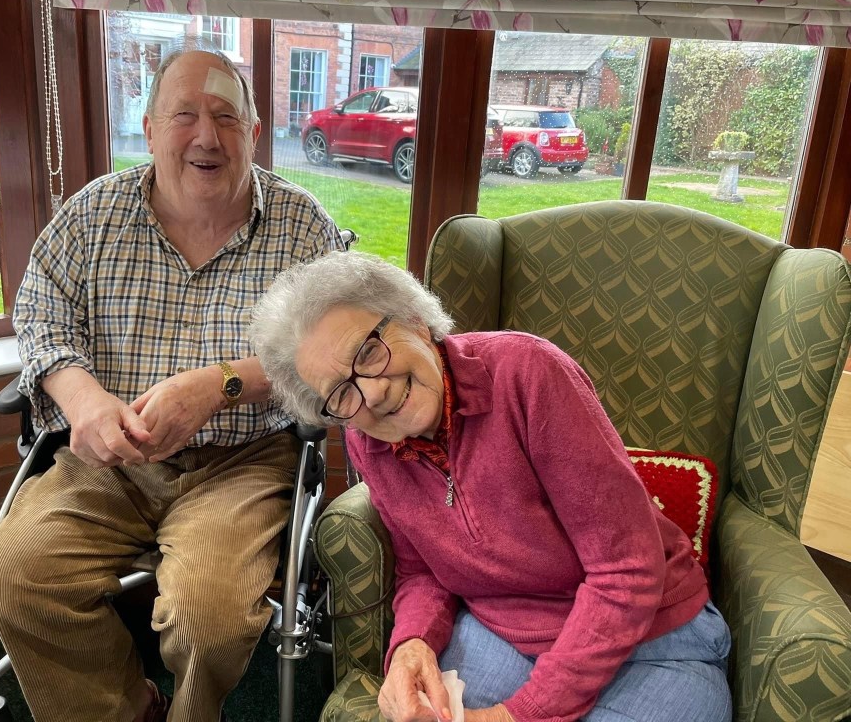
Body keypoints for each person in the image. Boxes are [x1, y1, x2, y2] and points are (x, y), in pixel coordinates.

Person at [0, 42, 343, 722]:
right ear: (149, 129)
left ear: (255, 133)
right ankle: (129, 711)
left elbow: (338, 349)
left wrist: (220, 385)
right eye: (184, 115)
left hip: (242, 462)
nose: (207, 137)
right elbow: (40, 312)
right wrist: (83, 399)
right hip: (108, 460)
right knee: (14, 578)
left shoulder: (301, 228)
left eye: (226, 117)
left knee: (211, 620)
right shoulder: (94, 214)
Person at [249, 251, 733, 722]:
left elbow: (626, 569)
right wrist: (412, 642)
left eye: (369, 351)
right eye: (340, 393)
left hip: (653, 638)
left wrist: (520, 713)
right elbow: (421, 570)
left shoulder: (529, 374)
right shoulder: (368, 440)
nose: (372, 393)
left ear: (415, 320)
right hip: (501, 634)